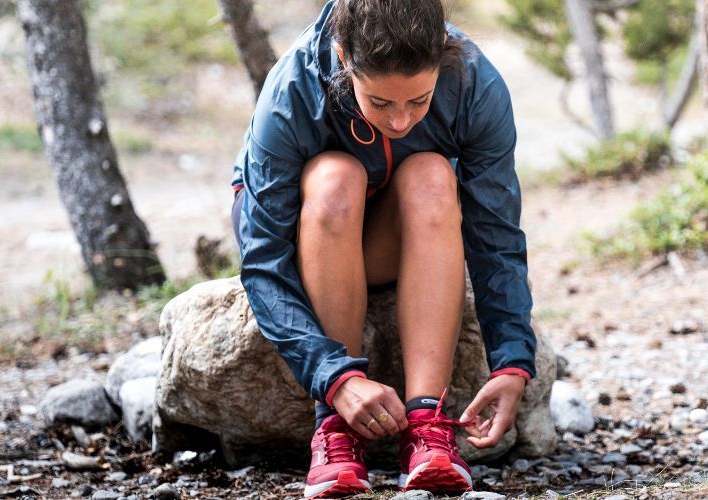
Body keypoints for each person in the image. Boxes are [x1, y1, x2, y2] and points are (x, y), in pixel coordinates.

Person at [230, 0, 537, 497]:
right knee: (335, 176)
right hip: (314, 235)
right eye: (381, 102)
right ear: (342, 53)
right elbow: (264, 259)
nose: (400, 121)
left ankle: (428, 427)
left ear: (442, 57)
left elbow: (496, 235)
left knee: (435, 176)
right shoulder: (291, 91)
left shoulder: (476, 83)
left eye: (419, 101)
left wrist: (513, 362)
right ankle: (335, 430)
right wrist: (333, 378)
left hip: (394, 237)